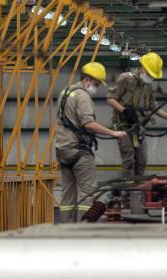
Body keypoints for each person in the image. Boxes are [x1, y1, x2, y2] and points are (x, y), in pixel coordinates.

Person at [54, 62, 126, 222]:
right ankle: (82, 230)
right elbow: (89, 124)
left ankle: (66, 229)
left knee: (67, 194)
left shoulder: (66, 92)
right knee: (87, 193)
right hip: (79, 151)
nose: (97, 87)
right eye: (96, 83)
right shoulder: (83, 96)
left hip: (62, 150)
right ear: (87, 79)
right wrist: (113, 132)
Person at [106, 51, 167, 180]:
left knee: (142, 161)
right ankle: (128, 189)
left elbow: (152, 106)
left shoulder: (147, 85)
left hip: (139, 126)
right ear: (142, 68)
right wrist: (124, 110)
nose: (150, 77)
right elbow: (110, 99)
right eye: (149, 74)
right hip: (123, 126)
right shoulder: (125, 78)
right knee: (129, 160)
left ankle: (138, 187)